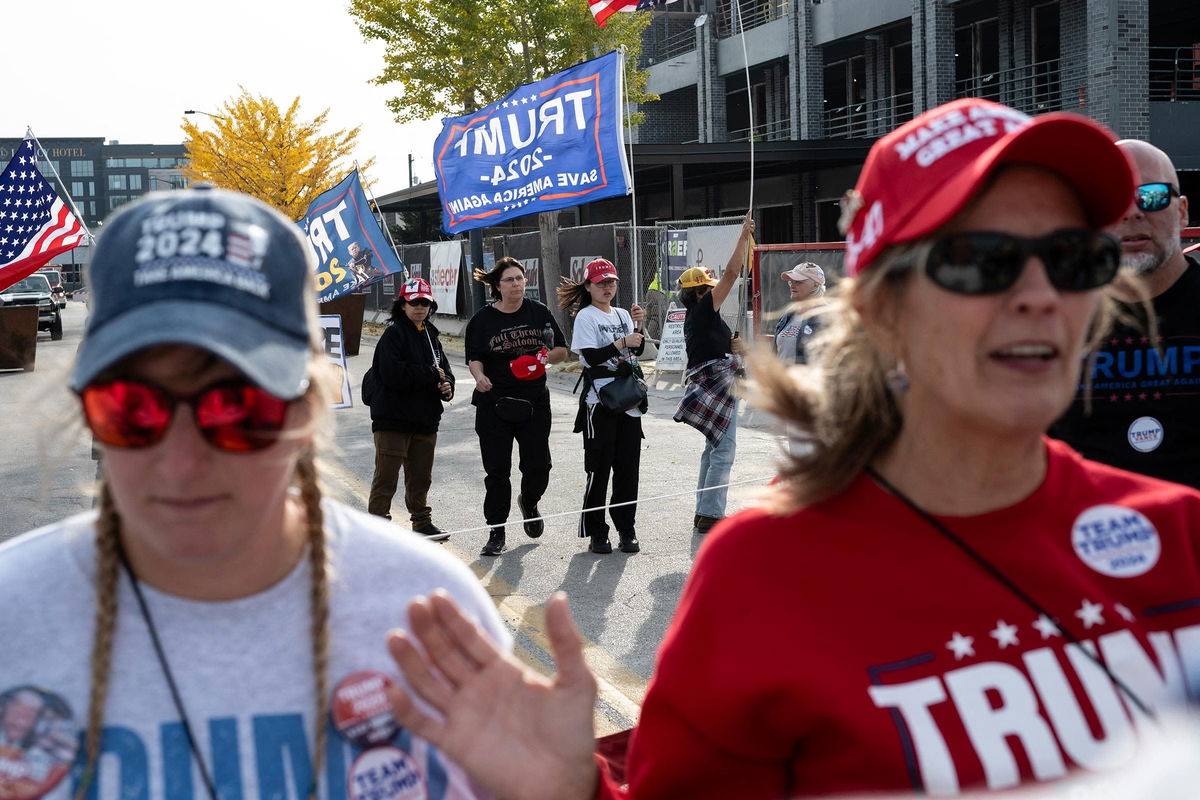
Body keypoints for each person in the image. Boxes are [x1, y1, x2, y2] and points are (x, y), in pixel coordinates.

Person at [376, 98, 1200, 799]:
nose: (1037, 296)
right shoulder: (763, 574)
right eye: (980, 261)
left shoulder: (1177, 534)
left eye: (1070, 257)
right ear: (883, 312)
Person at [0, 187, 509, 800]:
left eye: (240, 407)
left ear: (309, 404)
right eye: (133, 409)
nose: (184, 464)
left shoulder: (427, 616)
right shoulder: (14, 618)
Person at [1050, 139, 1200, 489]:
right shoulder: (1053, 324)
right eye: (1115, 198)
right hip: (1086, 534)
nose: (1133, 212)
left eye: (1152, 196)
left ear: (1181, 212)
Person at [465, 256, 568, 556]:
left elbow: (562, 350)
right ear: (497, 286)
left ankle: (530, 501)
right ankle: (496, 531)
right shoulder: (483, 320)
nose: (517, 284)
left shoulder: (539, 313)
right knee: (497, 470)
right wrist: (479, 377)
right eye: (510, 280)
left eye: (520, 279)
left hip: (534, 402)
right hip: (494, 402)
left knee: (538, 465)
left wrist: (545, 359)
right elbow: (474, 358)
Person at [672, 215, 755, 534]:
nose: (714, 290)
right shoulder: (703, 310)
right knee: (723, 449)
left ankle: (705, 510)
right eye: (708, 287)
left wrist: (735, 348)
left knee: (714, 447)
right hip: (717, 384)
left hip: (715, 381)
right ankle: (710, 514)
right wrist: (742, 237)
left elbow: (718, 347)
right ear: (698, 293)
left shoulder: (704, 317)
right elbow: (733, 273)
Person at [558, 258, 647, 555]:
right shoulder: (586, 316)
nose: (607, 287)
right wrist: (622, 342)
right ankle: (597, 530)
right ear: (588, 286)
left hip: (629, 400)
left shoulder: (622, 313)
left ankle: (626, 528)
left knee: (628, 470)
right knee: (599, 468)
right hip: (601, 401)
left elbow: (637, 350)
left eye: (611, 282)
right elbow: (591, 358)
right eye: (601, 283)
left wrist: (639, 326)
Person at [367, 277, 455, 537]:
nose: (419, 307)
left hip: (425, 420)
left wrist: (447, 386)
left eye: (425, 303)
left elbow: (444, 372)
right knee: (386, 479)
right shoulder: (393, 334)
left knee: (420, 478)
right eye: (413, 302)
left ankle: (421, 523)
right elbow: (393, 374)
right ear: (402, 305)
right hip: (392, 419)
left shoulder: (431, 335)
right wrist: (430, 375)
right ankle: (377, 529)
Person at [774, 263, 826, 364]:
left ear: (816, 283)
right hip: (783, 379)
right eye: (790, 281)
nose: (792, 285)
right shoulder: (788, 315)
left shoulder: (826, 316)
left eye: (798, 281)